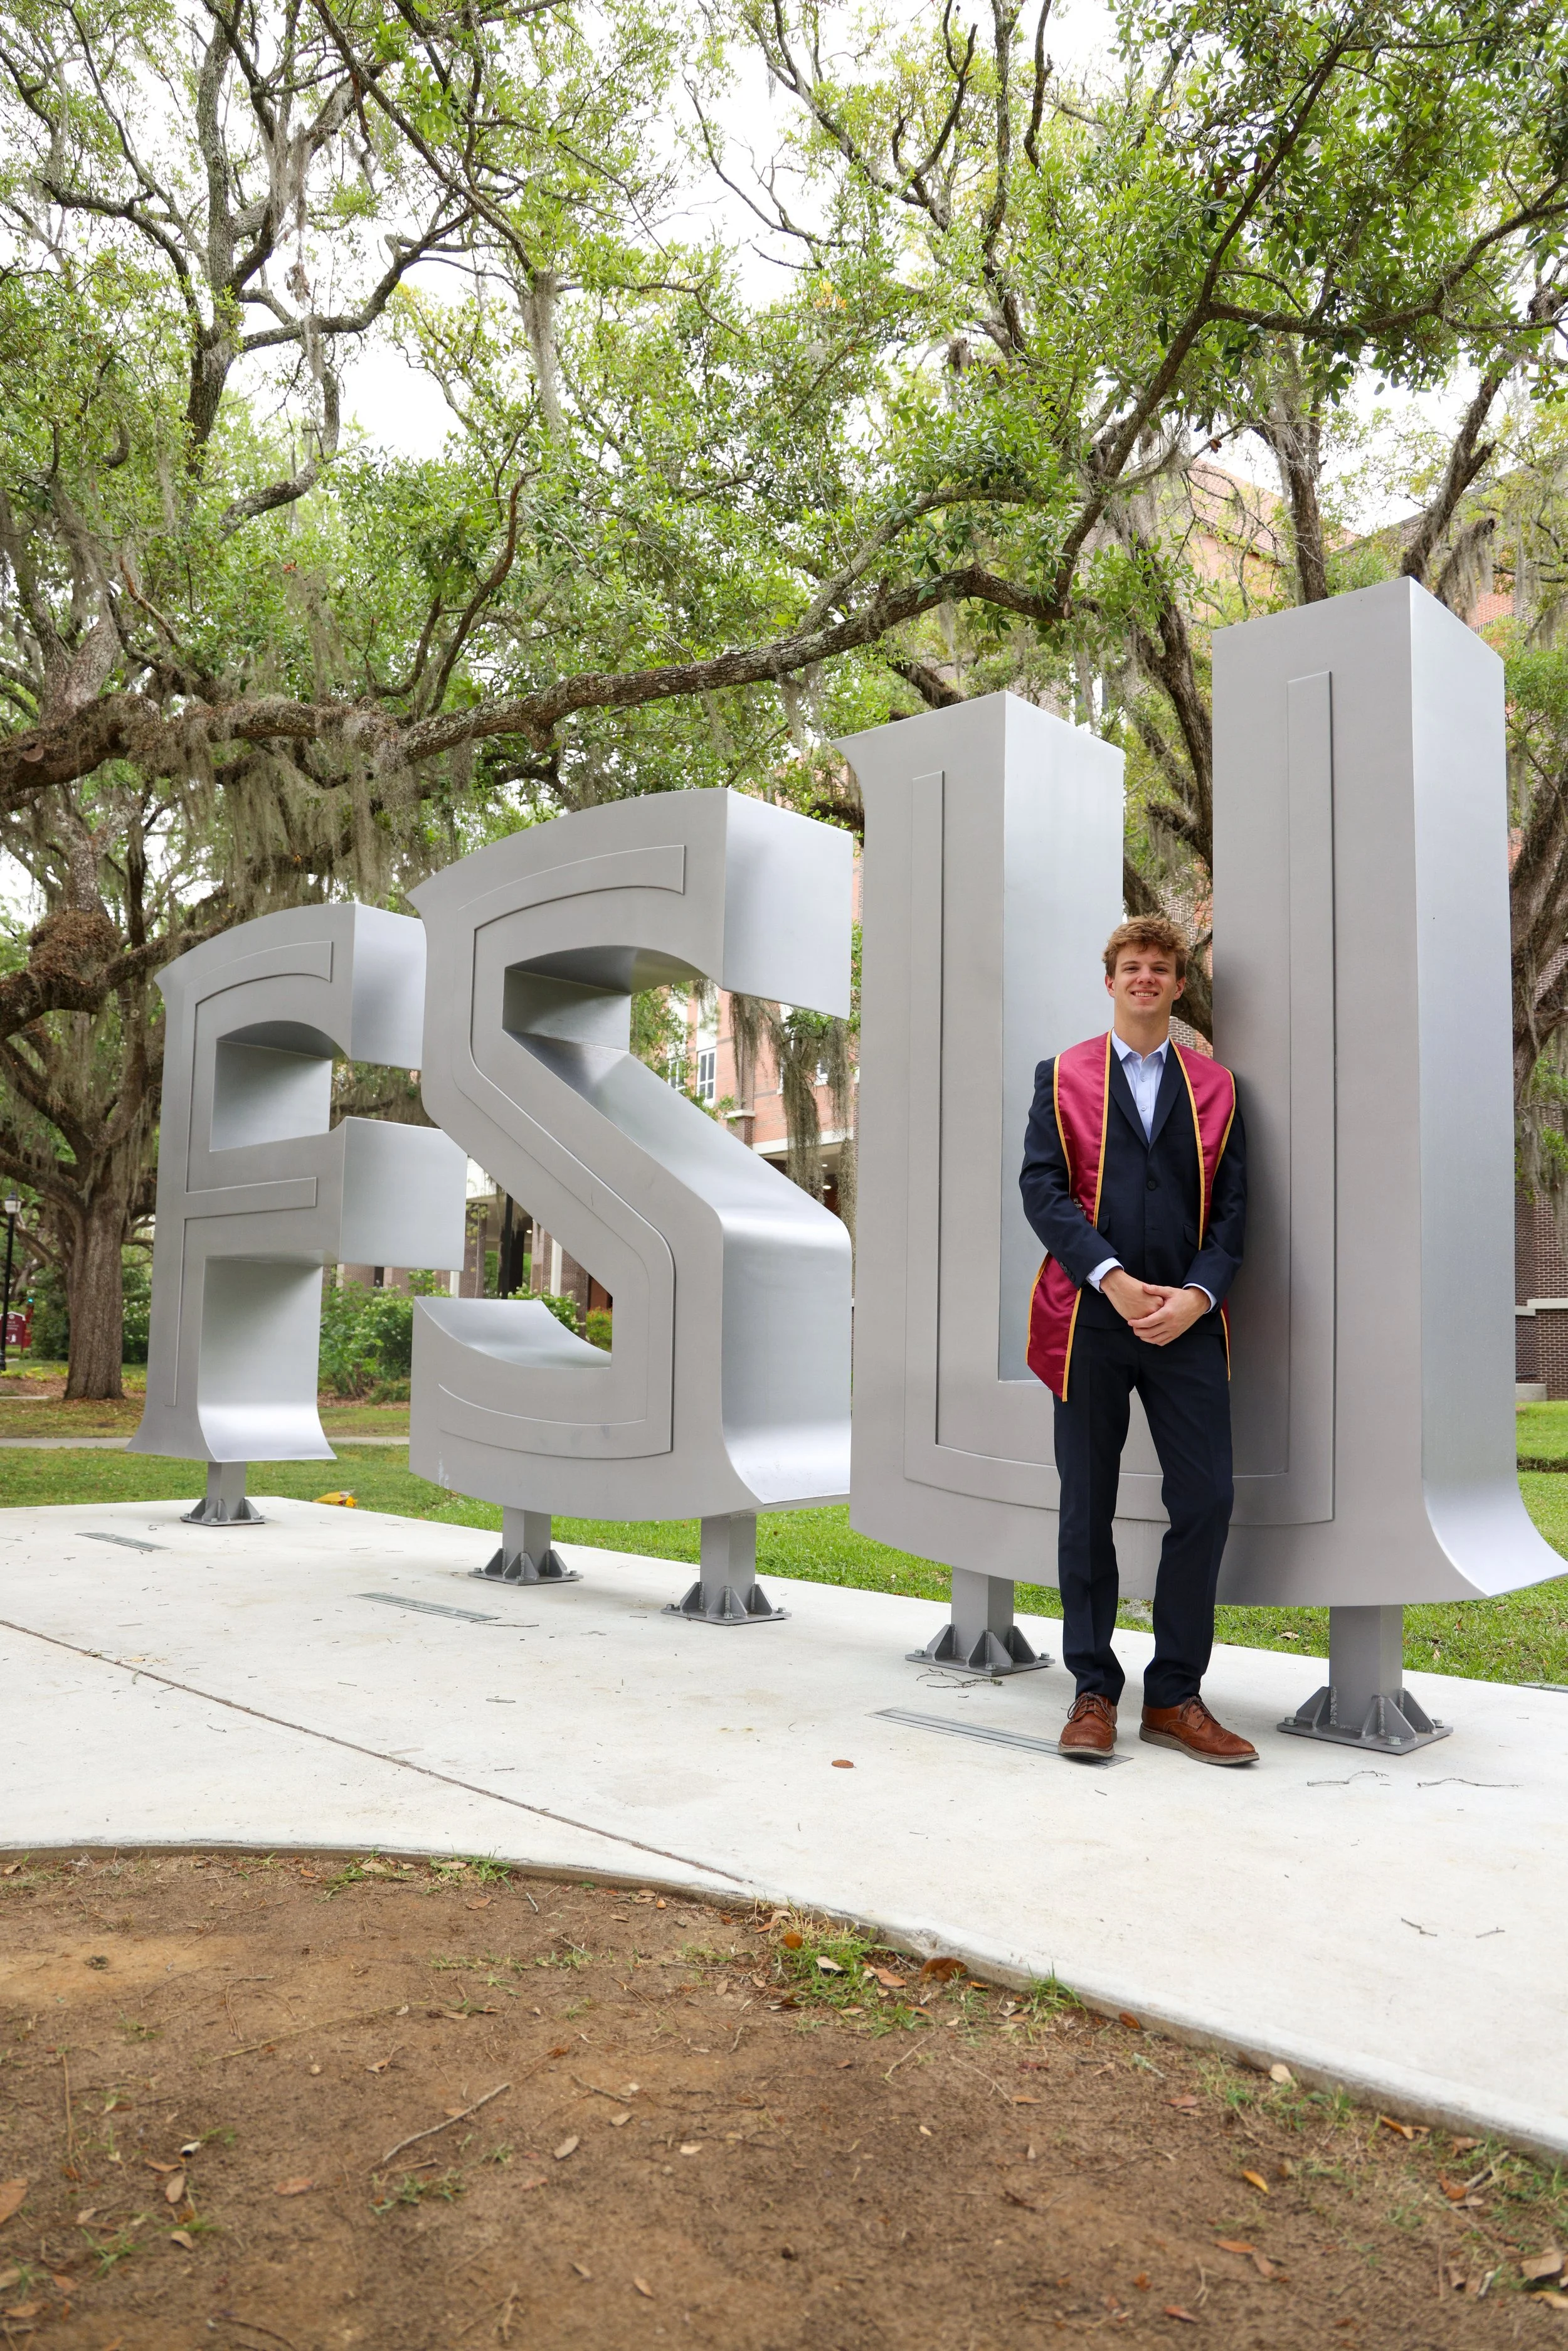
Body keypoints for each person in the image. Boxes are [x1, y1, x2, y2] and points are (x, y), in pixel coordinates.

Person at [1019, 917, 1255, 1766]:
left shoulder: (1219, 1088)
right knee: (1087, 1507)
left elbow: (1233, 1214)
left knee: (1206, 1501)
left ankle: (1176, 1695)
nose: (1145, 978)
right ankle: (1092, 1690)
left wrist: (1198, 1295)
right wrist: (1111, 1277)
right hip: (1089, 1318)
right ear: (1110, 981)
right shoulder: (1062, 1077)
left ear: (1178, 986)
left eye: (1160, 968)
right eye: (1131, 967)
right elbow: (1042, 1192)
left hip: (1187, 1324)